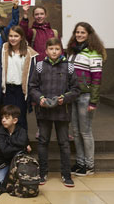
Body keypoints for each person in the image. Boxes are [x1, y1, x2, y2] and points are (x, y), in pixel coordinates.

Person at [29, 37, 80, 187]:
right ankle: (43, 172)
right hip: (44, 111)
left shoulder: (69, 67)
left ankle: (66, 174)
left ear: (61, 50)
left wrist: (64, 98)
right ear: (46, 51)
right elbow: (32, 87)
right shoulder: (39, 66)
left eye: (57, 49)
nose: (54, 51)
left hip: (62, 111)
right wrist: (40, 99)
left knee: (64, 143)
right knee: (43, 142)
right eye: (51, 49)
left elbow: (76, 89)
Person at [66, 22, 106, 176]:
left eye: (82, 32)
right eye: (77, 32)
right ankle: (80, 162)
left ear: (89, 34)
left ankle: (89, 165)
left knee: (86, 132)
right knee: (76, 131)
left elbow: (97, 79)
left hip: (85, 97)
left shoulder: (94, 52)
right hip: (73, 95)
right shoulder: (72, 51)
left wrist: (93, 101)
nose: (79, 35)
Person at [0, 26, 38, 130]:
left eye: (16, 36)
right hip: (7, 90)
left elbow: (32, 76)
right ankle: (8, 144)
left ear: (21, 37)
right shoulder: (4, 49)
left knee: (20, 118)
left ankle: (22, 144)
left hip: (21, 91)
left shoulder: (29, 53)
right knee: (7, 118)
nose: (13, 38)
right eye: (11, 36)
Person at [0, 105, 31, 188]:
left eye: (6, 118)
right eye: (2, 117)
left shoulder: (22, 131)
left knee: (26, 180)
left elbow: (23, 141)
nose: (3, 120)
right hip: (4, 163)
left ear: (15, 120)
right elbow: (4, 151)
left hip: (19, 162)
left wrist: (10, 142)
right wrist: (22, 147)